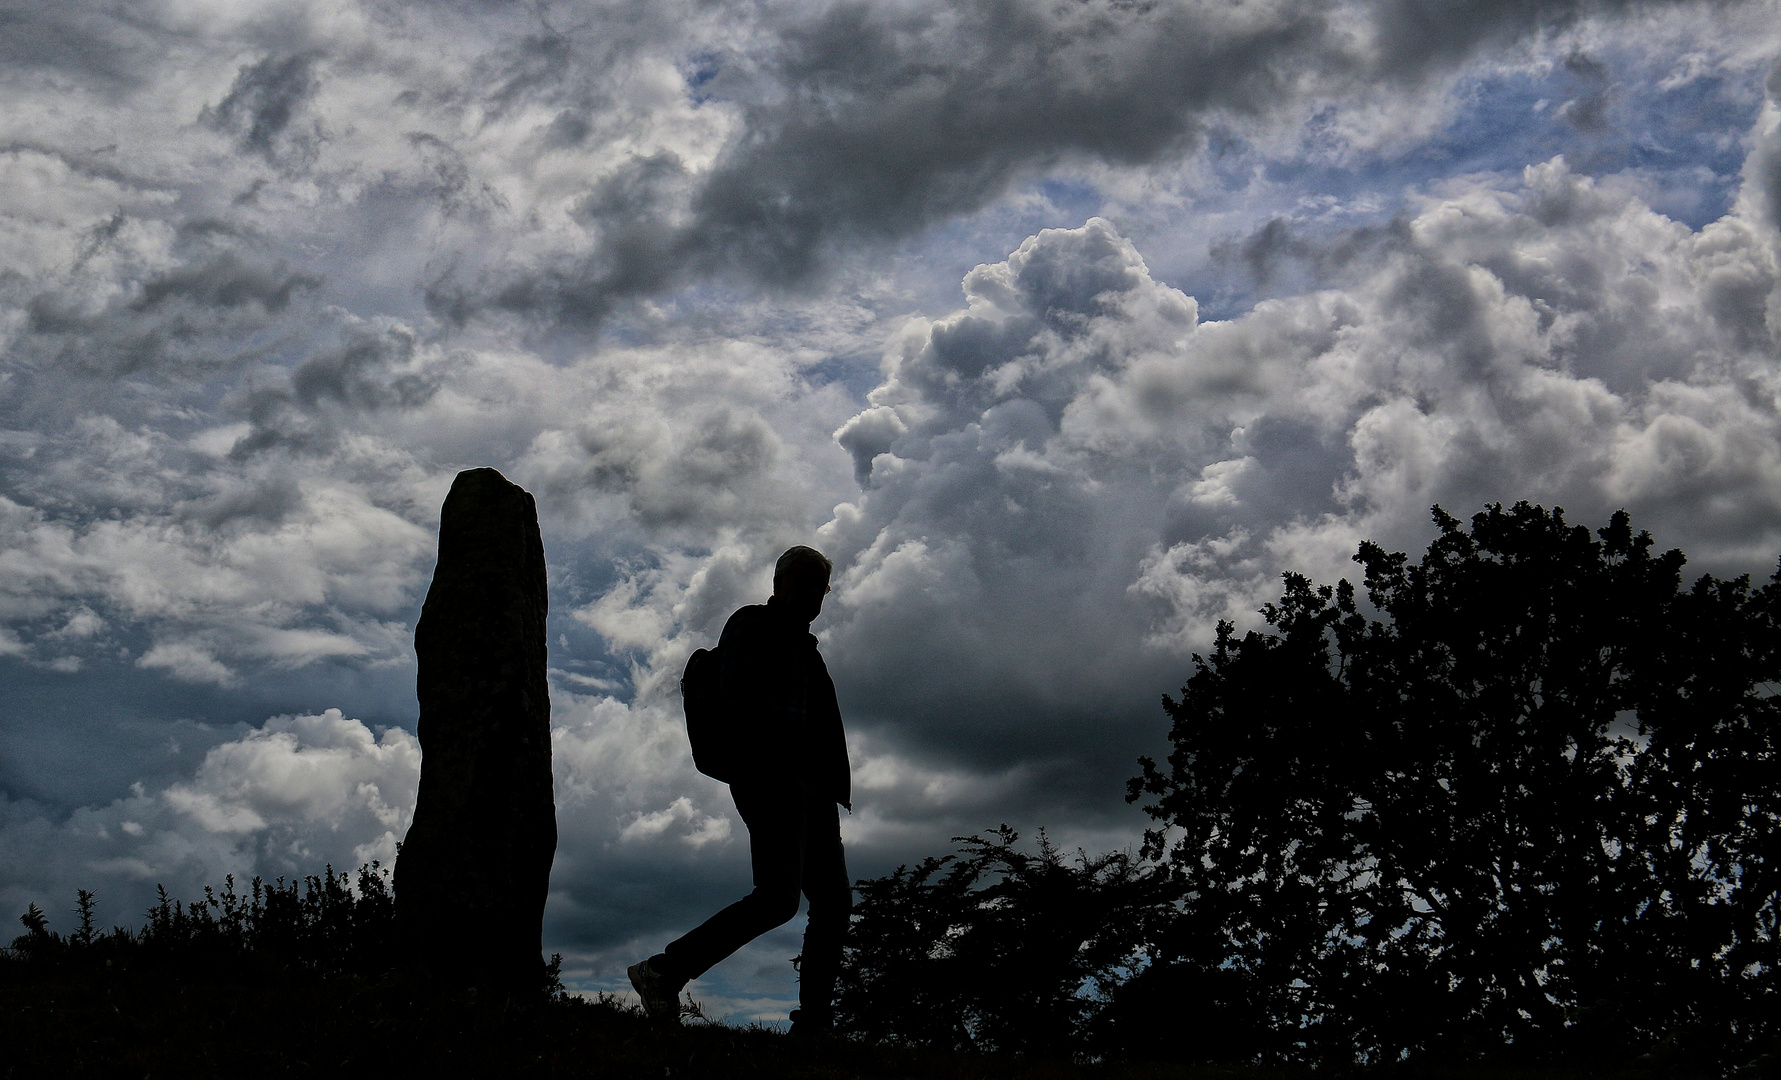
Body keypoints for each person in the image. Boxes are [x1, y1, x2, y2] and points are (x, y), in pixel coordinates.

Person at [628, 545, 852, 1036]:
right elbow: (736, 705)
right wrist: (769, 765)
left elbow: (819, 725)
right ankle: (662, 972)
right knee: (777, 898)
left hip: (811, 786)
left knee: (833, 904)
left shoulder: (808, 652)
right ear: (782, 584)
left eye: (823, 588)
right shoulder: (751, 624)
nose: (816, 597)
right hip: (770, 778)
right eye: (808, 584)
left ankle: (813, 1024)